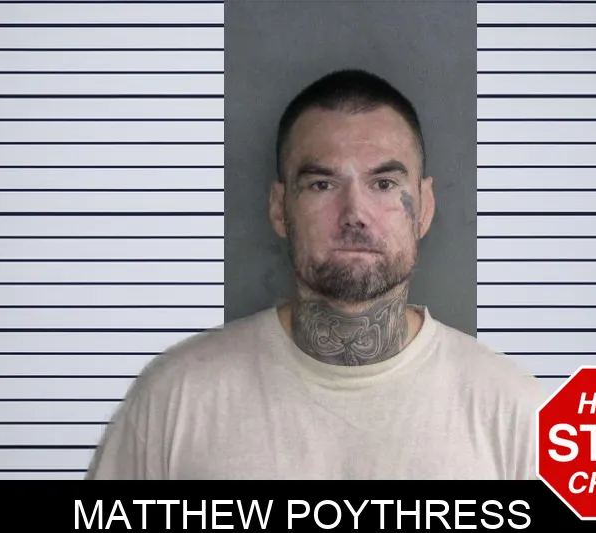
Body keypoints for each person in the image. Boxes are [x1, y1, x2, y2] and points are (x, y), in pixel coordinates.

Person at [85, 69, 547, 480]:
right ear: (279, 208)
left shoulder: (520, 412)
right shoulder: (175, 398)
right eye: (322, 184)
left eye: (384, 184)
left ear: (423, 207)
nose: (355, 213)